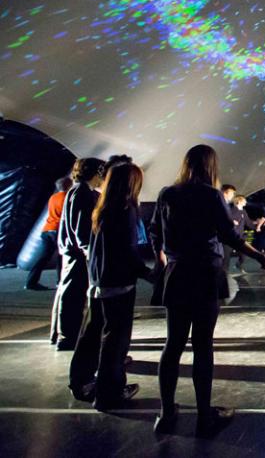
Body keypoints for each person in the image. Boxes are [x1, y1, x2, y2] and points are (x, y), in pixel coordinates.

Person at [149, 145, 265, 437]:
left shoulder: (168, 193)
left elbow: (155, 230)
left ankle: (167, 414)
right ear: (210, 166)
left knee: (173, 344)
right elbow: (229, 235)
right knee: (202, 345)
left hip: (178, 274)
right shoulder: (210, 195)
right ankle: (204, 417)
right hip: (205, 273)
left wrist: (164, 259)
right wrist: (261, 257)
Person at [70, 162, 154, 409]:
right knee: (115, 340)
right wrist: (146, 273)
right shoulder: (125, 210)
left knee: (92, 335)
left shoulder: (102, 207)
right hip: (118, 284)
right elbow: (127, 251)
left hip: (98, 281)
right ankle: (109, 392)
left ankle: (81, 382)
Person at [50, 157, 105, 351]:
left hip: (73, 251)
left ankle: (62, 334)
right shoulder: (82, 193)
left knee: (68, 291)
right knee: (73, 293)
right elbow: (81, 229)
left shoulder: (78, 191)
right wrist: (89, 251)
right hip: (77, 253)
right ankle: (68, 337)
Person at [26, 176, 73, 291]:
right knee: (62, 256)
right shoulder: (68, 198)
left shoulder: (53, 197)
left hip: (47, 229)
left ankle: (31, 282)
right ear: (69, 185)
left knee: (43, 258)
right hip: (58, 230)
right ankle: (61, 281)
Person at [229, 195, 265, 272]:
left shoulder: (243, 211)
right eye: (244, 200)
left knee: (244, 252)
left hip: (240, 236)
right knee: (227, 253)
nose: (246, 202)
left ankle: (239, 264)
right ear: (239, 201)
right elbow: (227, 218)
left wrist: (256, 228)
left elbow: (248, 222)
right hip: (232, 235)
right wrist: (232, 221)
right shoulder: (232, 210)